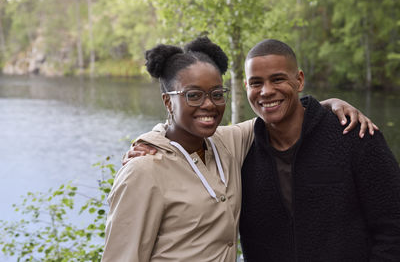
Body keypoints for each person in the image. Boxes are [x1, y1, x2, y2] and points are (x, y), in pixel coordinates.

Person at [239, 39, 400, 261]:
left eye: (278, 79)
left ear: (299, 80)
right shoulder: (242, 152)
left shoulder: (355, 135)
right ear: (246, 86)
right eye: (256, 83)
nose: (266, 91)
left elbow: (393, 225)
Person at [102, 37, 256, 261]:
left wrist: (325, 107)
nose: (209, 104)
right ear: (167, 102)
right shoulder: (144, 171)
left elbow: (280, 116)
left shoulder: (228, 143)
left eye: (217, 94)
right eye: (193, 95)